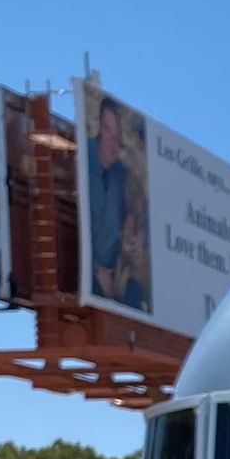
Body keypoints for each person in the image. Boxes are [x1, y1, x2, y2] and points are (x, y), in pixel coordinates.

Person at [86, 95, 151, 312]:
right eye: (108, 132)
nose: (113, 144)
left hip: (116, 276)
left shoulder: (121, 174)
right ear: (98, 129)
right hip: (85, 276)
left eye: (118, 138)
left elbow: (143, 207)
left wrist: (141, 237)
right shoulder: (80, 160)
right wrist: (95, 270)